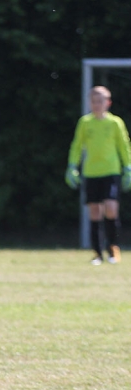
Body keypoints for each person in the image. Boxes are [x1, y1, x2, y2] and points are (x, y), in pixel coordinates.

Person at [65, 85, 131, 265]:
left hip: (111, 171)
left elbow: (124, 145)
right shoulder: (85, 123)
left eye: (100, 101)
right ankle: (97, 253)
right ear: (90, 103)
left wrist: (128, 167)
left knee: (110, 208)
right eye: (93, 101)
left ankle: (113, 248)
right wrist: (72, 166)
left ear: (108, 103)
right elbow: (77, 145)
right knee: (95, 212)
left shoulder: (115, 122)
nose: (96, 104)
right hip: (91, 172)